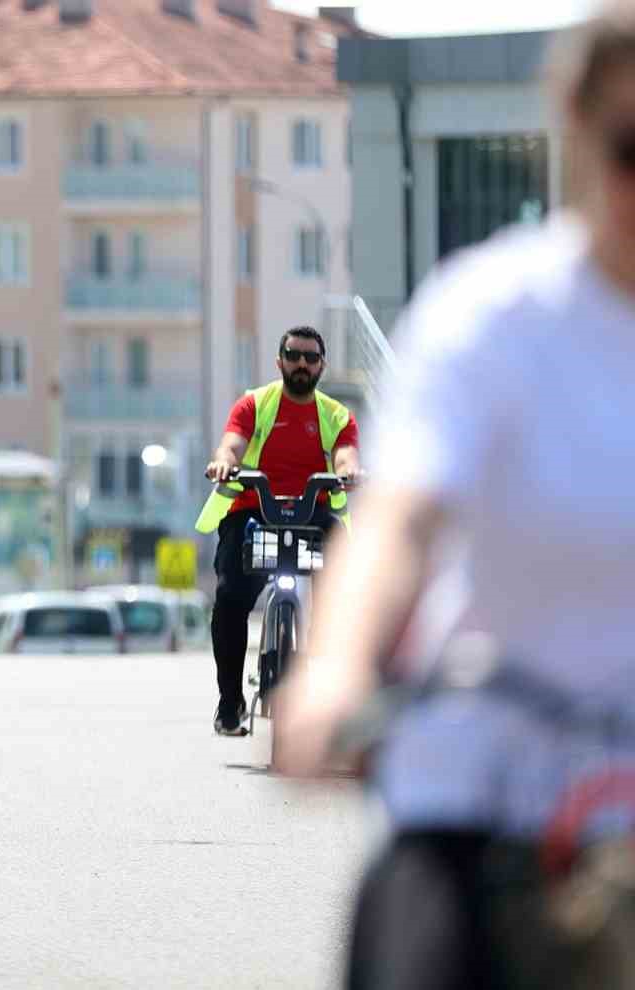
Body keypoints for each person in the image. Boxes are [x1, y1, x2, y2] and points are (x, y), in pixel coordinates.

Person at [277, 4, 635, 983]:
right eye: (631, 147)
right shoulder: (493, 316)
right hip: (482, 787)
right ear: (576, 133)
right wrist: (336, 668)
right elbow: (400, 515)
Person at [197, 326, 360, 737]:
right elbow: (231, 445)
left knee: (344, 596)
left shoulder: (336, 416)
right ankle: (229, 702)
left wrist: (348, 473)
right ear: (279, 361)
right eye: (293, 355)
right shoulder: (255, 404)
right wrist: (223, 463)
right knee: (231, 599)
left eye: (310, 357)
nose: (301, 363)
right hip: (254, 512)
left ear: (322, 365)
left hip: (313, 516)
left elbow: (345, 455)